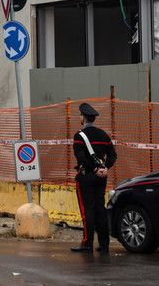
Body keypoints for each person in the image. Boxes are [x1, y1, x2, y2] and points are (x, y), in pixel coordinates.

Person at [71, 102, 117, 253]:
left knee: (87, 210)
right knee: (100, 209)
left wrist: (94, 168)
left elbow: (81, 157)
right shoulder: (103, 135)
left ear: (83, 117)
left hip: (86, 177)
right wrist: (104, 169)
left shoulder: (79, 136)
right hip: (101, 177)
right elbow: (113, 155)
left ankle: (87, 243)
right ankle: (104, 245)